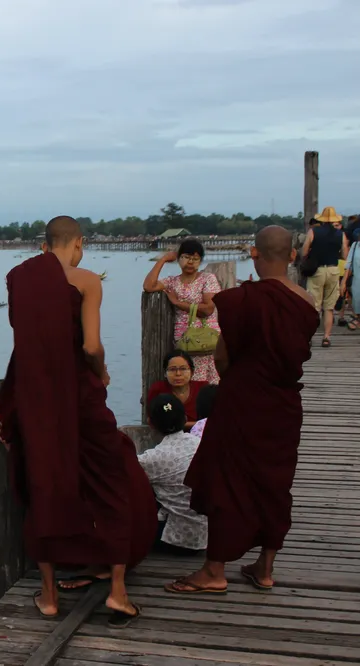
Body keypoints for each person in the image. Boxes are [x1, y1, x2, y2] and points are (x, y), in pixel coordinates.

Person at [0, 215, 157, 628]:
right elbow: (90, 345)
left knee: (44, 483)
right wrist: (101, 371)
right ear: (78, 242)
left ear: (46, 243)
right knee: (113, 479)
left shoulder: (19, 278)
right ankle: (118, 592)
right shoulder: (87, 280)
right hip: (80, 397)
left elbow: (26, 341)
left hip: (37, 397)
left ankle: (48, 596)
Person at [166, 226, 317, 595]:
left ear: (253, 253)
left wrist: (242, 381)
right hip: (283, 405)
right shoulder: (306, 303)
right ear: (293, 256)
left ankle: (214, 570)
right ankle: (264, 568)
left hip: (242, 400)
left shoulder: (238, 299)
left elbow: (222, 358)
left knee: (226, 478)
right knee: (275, 481)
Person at [142, 240, 222, 383]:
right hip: (184, 341)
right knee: (187, 382)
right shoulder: (172, 282)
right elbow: (148, 286)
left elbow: (208, 309)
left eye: (195, 259)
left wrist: (178, 303)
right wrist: (164, 259)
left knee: (209, 384)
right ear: (179, 259)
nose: (190, 262)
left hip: (206, 339)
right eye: (186, 257)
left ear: (200, 261)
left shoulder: (207, 279)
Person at [139, 394, 207, 556]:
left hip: (176, 540)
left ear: (150, 423)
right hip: (206, 535)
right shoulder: (200, 444)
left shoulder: (152, 459)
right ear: (184, 418)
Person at [301, 206, 348, 347]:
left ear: (321, 219)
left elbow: (304, 251)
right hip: (333, 270)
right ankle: (327, 337)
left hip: (317, 270)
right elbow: (345, 255)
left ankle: (309, 337)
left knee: (314, 306)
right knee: (329, 307)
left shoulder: (313, 232)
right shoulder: (341, 235)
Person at [146, 350, 206, 430]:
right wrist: (195, 424)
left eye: (183, 369)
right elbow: (151, 420)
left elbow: (211, 420)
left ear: (192, 372)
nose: (178, 373)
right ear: (165, 373)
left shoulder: (202, 388)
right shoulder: (158, 389)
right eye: (172, 369)